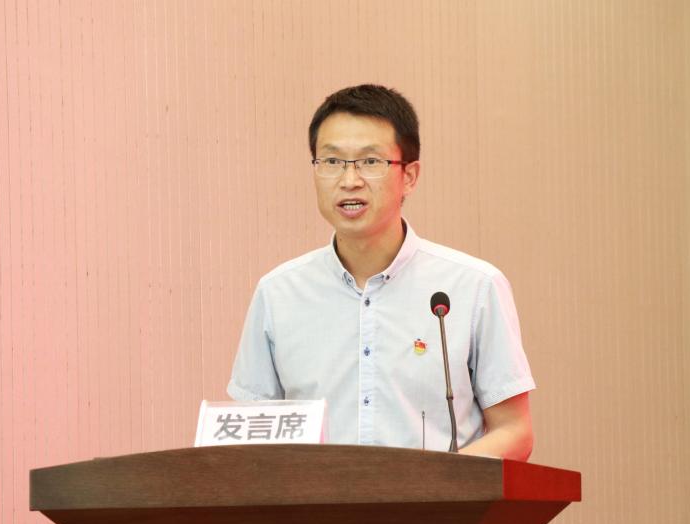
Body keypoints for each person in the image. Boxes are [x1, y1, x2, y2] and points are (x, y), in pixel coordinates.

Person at [228, 84, 534, 460]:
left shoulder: (473, 287)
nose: (349, 180)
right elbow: (250, 436)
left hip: (434, 500)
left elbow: (513, 430)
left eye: (370, 162)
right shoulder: (278, 293)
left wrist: (439, 485)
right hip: (316, 500)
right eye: (331, 161)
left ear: (410, 176)